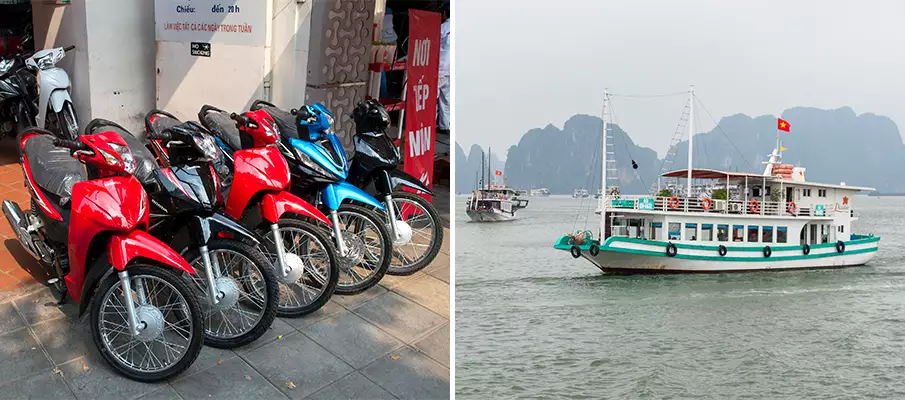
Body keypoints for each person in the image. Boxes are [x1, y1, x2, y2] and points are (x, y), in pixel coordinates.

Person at [436, 1, 450, 134]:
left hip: (439, 69)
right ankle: (445, 126)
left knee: (433, 98)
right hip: (451, 70)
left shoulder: (443, 27)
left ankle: (430, 125)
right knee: (447, 98)